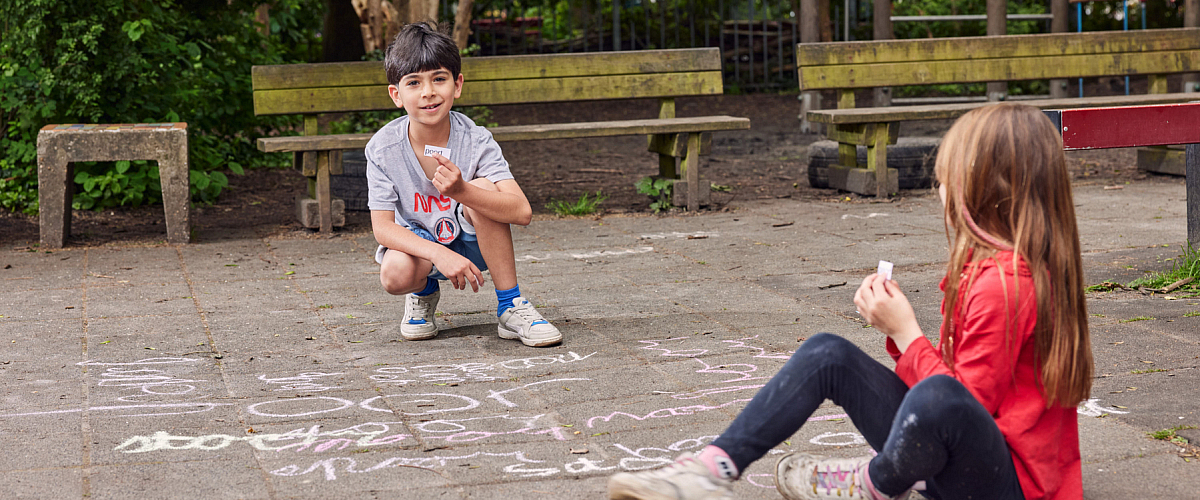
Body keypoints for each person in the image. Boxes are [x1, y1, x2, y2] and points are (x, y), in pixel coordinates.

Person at [607, 103, 1092, 500]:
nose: (939, 188)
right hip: (963, 460)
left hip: (1007, 487)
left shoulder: (1007, 283)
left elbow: (961, 406)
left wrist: (906, 333)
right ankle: (710, 471)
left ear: (988, 189)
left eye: (949, 178)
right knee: (827, 354)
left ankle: (872, 486)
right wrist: (900, 335)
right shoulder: (988, 269)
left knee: (938, 396)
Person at [367, 22, 561, 347]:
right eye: (414, 83)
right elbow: (383, 229)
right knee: (394, 273)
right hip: (422, 246)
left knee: (484, 187)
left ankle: (510, 305)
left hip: (474, 243)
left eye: (438, 79)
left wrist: (463, 192)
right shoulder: (383, 148)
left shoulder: (476, 140)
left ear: (457, 85)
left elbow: (522, 211)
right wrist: (439, 255)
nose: (428, 91)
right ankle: (423, 292)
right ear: (396, 95)